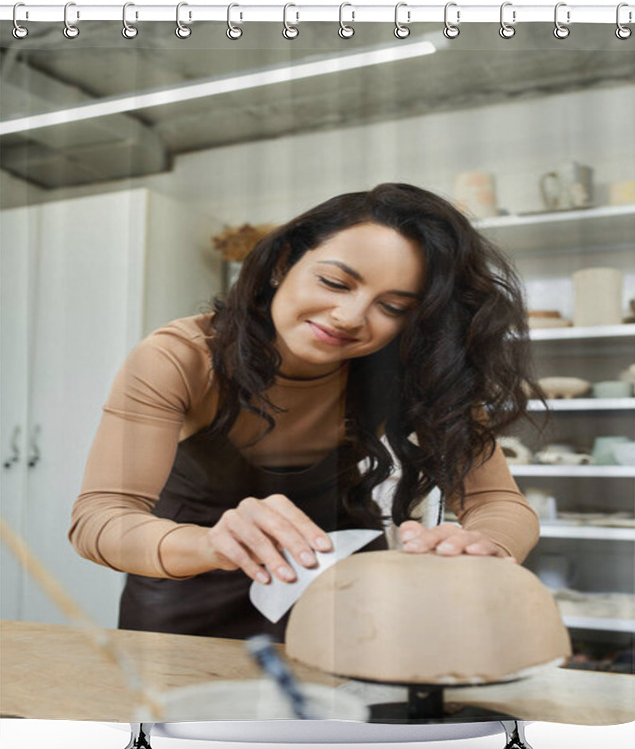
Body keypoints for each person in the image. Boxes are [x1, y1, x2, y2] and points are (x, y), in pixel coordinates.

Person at [69, 182, 549, 641]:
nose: (351, 317)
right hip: (186, 599)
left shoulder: (408, 370)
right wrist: (211, 543)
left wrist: (485, 547)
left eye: (394, 307)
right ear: (282, 263)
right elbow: (99, 517)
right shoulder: (183, 357)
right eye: (335, 282)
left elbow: (498, 503)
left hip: (340, 595)